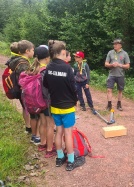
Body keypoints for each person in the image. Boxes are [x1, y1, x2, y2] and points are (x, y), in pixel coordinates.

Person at [43, 40, 83, 171]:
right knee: (68, 132)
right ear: (62, 52)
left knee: (58, 131)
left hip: (54, 105)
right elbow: (73, 87)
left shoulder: (48, 67)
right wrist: (76, 100)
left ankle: (59, 158)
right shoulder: (67, 68)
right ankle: (71, 160)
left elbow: (46, 85)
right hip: (67, 106)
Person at [28, 46, 56, 158]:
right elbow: (48, 88)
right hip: (46, 101)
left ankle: (42, 144)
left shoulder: (33, 68)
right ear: (47, 58)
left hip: (37, 101)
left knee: (42, 122)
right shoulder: (46, 70)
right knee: (50, 125)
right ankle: (49, 149)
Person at [5, 41, 32, 134]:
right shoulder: (23, 63)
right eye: (32, 50)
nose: (33, 52)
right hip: (23, 90)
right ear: (26, 51)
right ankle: (30, 127)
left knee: (25, 108)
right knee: (28, 108)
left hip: (18, 88)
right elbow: (25, 78)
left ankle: (28, 126)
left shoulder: (15, 60)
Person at [104, 38, 130, 111]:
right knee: (109, 90)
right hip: (111, 74)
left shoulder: (125, 53)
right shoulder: (110, 52)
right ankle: (109, 105)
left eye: (116, 44)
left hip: (120, 75)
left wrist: (119, 65)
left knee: (120, 90)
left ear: (120, 45)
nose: (114, 45)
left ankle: (119, 104)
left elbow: (128, 66)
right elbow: (106, 64)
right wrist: (111, 65)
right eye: (114, 44)